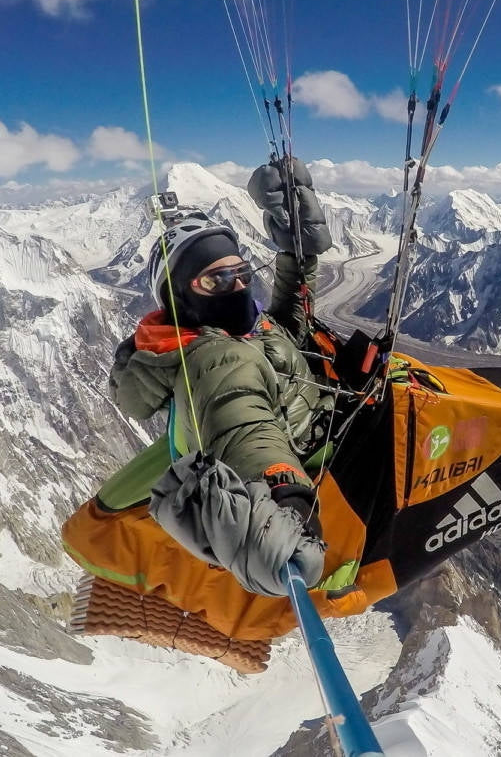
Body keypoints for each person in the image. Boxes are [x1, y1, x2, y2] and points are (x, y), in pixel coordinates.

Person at [108, 159, 334, 598]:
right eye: (216, 278)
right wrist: (282, 493)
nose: (236, 286)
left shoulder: (239, 330)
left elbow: (281, 332)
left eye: (242, 273)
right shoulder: (216, 358)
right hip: (316, 453)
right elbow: (244, 425)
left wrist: (297, 256)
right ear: (181, 298)